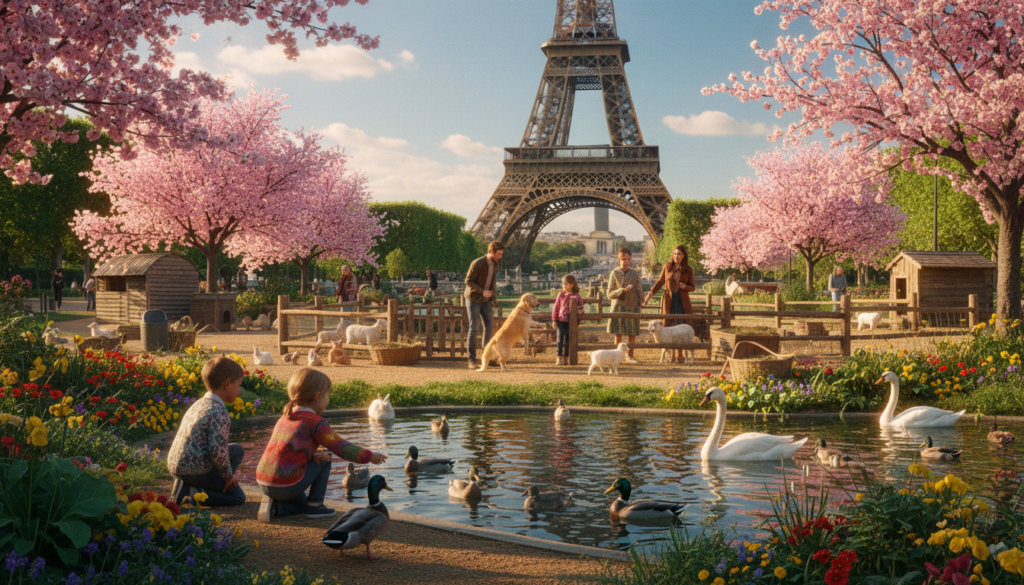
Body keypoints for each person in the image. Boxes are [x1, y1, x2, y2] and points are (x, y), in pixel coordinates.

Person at [256, 368, 386, 521]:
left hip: (263, 481)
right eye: (327, 395)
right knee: (327, 457)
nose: (328, 399)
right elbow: (341, 447)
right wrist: (370, 456)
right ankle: (315, 506)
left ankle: (276, 507)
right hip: (286, 484)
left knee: (301, 504)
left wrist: (312, 454)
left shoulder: (286, 416)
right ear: (318, 397)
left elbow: (285, 450)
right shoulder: (317, 423)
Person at [167, 357, 247, 507]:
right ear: (228, 384)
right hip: (196, 472)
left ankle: (188, 486)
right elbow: (217, 452)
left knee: (237, 450)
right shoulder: (220, 412)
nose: (240, 390)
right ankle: (189, 493)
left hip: (175, 465)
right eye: (239, 385)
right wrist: (228, 476)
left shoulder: (198, 404)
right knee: (238, 497)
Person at [645, 245, 707, 361]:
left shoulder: (688, 269)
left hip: (682, 301)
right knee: (668, 326)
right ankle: (671, 355)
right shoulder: (667, 267)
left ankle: (680, 354)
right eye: (674, 254)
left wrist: (685, 286)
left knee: (681, 325)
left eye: (679, 254)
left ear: (684, 256)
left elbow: (693, 287)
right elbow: (659, 283)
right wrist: (649, 295)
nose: (676, 256)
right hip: (669, 300)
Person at [464, 241, 504, 370]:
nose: (500, 257)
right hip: (474, 298)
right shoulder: (477, 263)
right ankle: (471, 359)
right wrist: (483, 292)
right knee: (474, 328)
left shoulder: (495, 264)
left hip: (486, 299)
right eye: (499, 254)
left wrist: (492, 295)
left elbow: (491, 282)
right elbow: (468, 281)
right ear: (491, 252)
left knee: (489, 327)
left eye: (501, 254)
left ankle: (486, 357)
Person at [607, 247, 643, 364]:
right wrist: (622, 290)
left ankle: (630, 356)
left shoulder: (634, 273)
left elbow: (639, 290)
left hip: (632, 307)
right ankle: (617, 357)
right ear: (619, 259)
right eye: (623, 259)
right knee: (618, 334)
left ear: (631, 259)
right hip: (618, 306)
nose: (626, 261)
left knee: (632, 333)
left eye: (628, 259)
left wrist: (640, 304)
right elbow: (609, 294)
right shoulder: (614, 273)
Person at [551, 274, 584, 366]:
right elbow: (556, 308)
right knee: (560, 338)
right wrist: (554, 319)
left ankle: (566, 357)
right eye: (563, 284)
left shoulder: (577, 297)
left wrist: (577, 321)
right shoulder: (561, 295)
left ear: (572, 285)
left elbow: (581, 310)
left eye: (566, 284)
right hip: (561, 320)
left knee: (569, 339)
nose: (564, 286)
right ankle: (559, 357)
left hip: (571, 322)